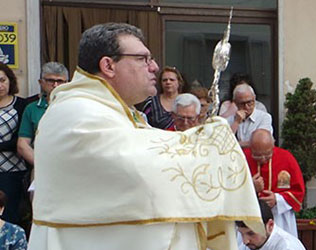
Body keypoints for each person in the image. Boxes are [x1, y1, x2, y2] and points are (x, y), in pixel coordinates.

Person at [28, 23, 264, 250]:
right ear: (108, 65)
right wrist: (207, 143)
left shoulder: (109, 108)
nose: (154, 67)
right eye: (143, 59)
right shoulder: (76, 111)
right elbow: (140, 165)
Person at [243, 129, 305, 236]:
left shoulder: (286, 158)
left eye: (267, 155)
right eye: (257, 155)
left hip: (279, 218)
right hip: (250, 216)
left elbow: (298, 191)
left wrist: (277, 199)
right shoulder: (242, 158)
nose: (263, 159)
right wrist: (250, 187)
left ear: (273, 146)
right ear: (250, 148)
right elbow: (230, 191)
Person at [17, 62, 69, 169]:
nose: (55, 85)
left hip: (70, 167)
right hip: (41, 168)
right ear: (41, 82)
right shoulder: (32, 108)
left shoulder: (76, 106)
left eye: (60, 81)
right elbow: (22, 144)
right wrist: (42, 166)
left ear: (67, 83)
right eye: (50, 80)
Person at [0, 63, 27, 225]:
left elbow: (19, 140)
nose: (0, 85)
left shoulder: (22, 106)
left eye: (2, 80)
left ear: (10, 81)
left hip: (13, 172)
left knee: (9, 216)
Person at [236, 199, 305, 250]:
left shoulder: (288, 247)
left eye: (251, 233)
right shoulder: (253, 244)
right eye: (241, 233)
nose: (245, 241)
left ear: (270, 225)